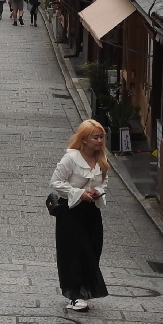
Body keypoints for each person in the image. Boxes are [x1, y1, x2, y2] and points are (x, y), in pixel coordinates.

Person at [50, 119, 110, 312]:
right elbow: (56, 182)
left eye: (101, 137)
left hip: (91, 211)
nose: (99, 141)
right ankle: (74, 294)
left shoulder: (102, 160)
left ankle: (84, 288)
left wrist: (97, 192)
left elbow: (103, 183)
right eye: (95, 137)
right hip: (71, 211)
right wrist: (78, 193)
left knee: (93, 249)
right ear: (84, 139)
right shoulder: (71, 158)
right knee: (73, 252)